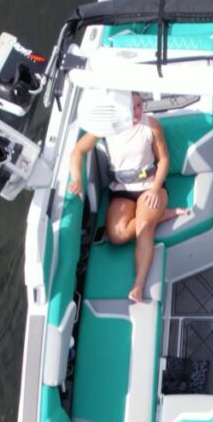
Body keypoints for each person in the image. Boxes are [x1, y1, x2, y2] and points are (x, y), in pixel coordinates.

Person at [67, 91, 190, 303]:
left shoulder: (151, 126)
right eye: (132, 108)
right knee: (116, 235)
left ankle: (138, 283)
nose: (137, 111)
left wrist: (155, 188)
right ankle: (162, 215)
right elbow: (78, 151)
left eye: (140, 105)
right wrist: (77, 179)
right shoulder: (107, 126)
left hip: (150, 186)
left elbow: (164, 160)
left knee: (144, 227)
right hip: (121, 188)